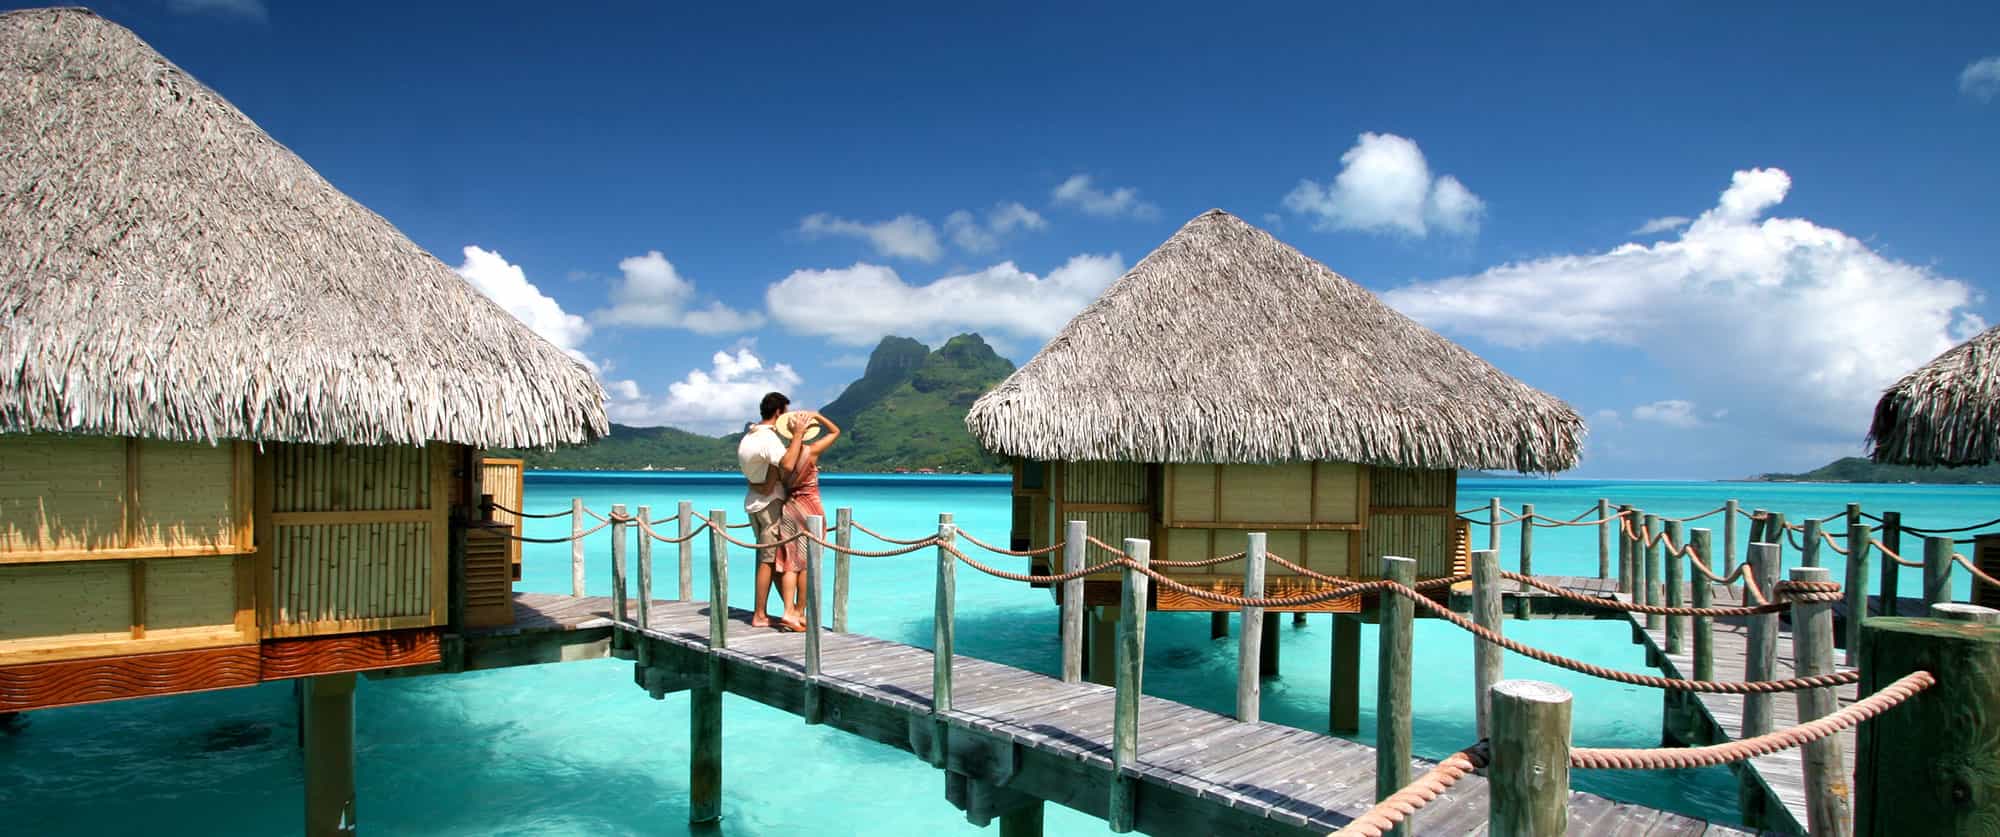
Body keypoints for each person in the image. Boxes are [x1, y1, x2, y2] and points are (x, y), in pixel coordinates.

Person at [772, 410, 841, 629]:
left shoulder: (782, 457)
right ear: (807, 431)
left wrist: (796, 432)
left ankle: (788, 611)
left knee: (790, 563)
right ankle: (800, 613)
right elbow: (835, 431)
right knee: (806, 564)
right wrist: (817, 416)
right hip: (811, 509)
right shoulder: (812, 451)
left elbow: (786, 469)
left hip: (790, 509)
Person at [737, 392, 791, 629]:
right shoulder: (769, 438)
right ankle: (760, 614)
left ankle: (790, 610)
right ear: (778, 412)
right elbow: (787, 464)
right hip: (770, 504)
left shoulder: (749, 436)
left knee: (772, 558)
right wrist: (798, 437)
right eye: (786, 413)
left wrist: (761, 484)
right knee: (768, 561)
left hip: (754, 501)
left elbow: (758, 473)